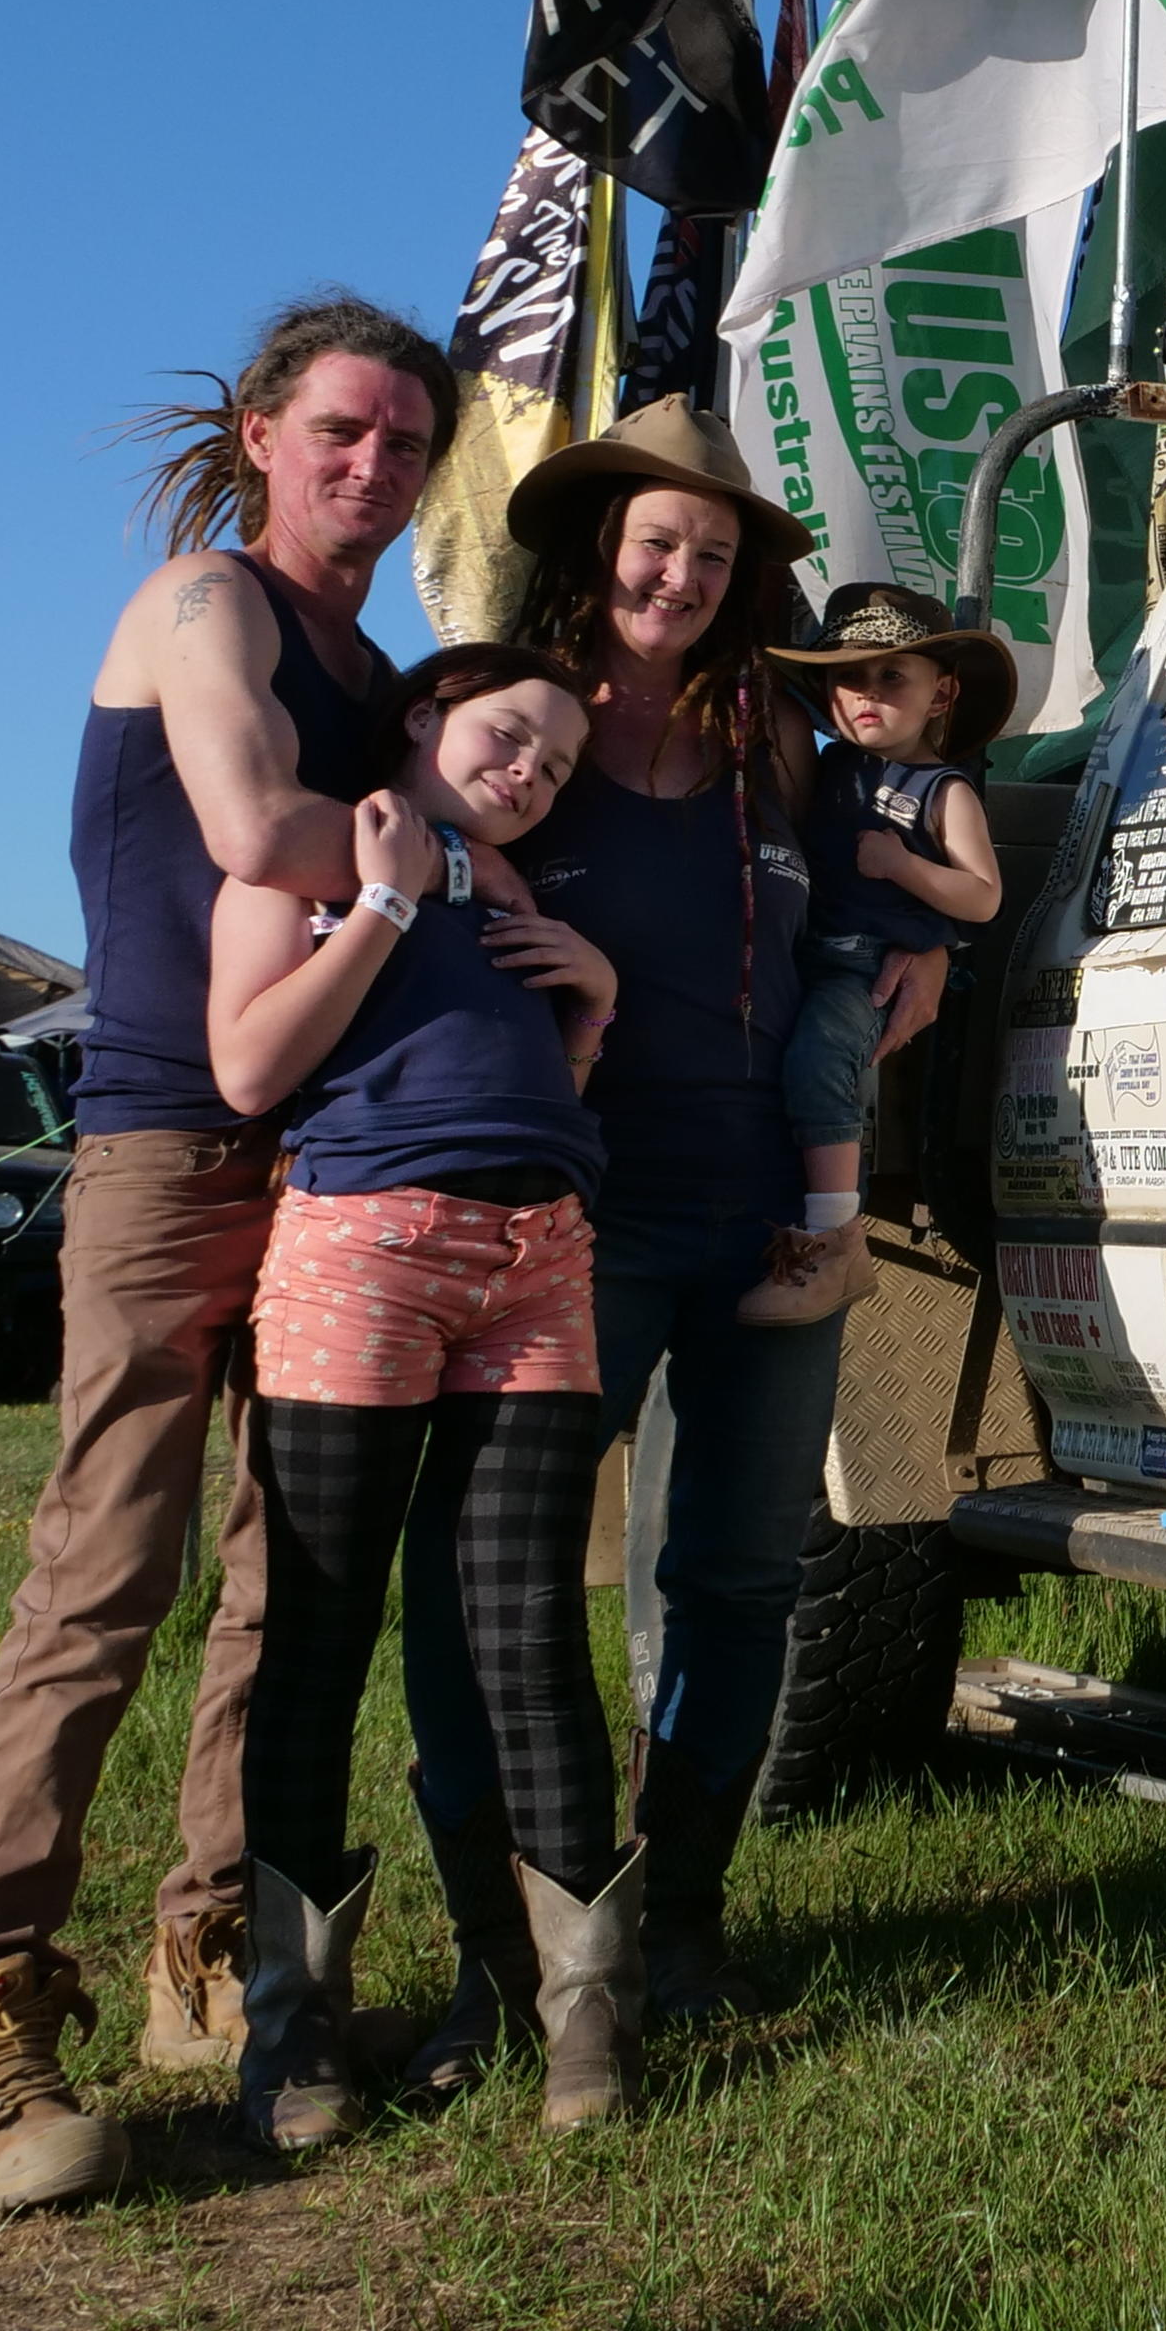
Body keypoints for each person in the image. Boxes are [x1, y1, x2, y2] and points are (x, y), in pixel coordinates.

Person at [0, 294, 480, 2217]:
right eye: (341, 432)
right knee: (107, 1568)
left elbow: (383, 846)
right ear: (259, 430)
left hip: (320, 1160)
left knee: (281, 1576)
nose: (372, 468)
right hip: (159, 1145)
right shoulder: (206, 608)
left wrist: (420, 849)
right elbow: (254, 827)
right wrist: (445, 854)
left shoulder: (368, 661)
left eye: (404, 443)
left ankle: (210, 1955)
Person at [390, 400, 949, 2066]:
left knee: (738, 1575)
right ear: (595, 553)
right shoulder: (512, 740)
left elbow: (881, 872)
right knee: (487, 1586)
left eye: (716, 552)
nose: (686, 571)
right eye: (659, 542)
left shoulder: (777, 744)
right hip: (567, 1216)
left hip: (771, 1220)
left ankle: (679, 1923)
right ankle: (510, 1953)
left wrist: (925, 951)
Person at [201, 642, 632, 2148]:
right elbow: (250, 1066)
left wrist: (592, 1012)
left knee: (530, 1629)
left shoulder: (515, 896)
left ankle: (586, 2009)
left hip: (537, 1263)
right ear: (425, 722)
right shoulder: (308, 860)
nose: (529, 771)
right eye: (508, 736)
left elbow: (524, 1085)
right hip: (359, 1263)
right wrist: (382, 903)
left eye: (556, 764)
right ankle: (295, 2029)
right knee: (322, 1626)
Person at [741, 584, 1010, 1328]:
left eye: (893, 676)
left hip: (866, 964)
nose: (867, 693)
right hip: (803, 956)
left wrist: (905, 868)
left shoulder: (944, 790)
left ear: (941, 693)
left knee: (820, 1059)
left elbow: (983, 895)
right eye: (849, 677)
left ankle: (835, 1240)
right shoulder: (826, 770)